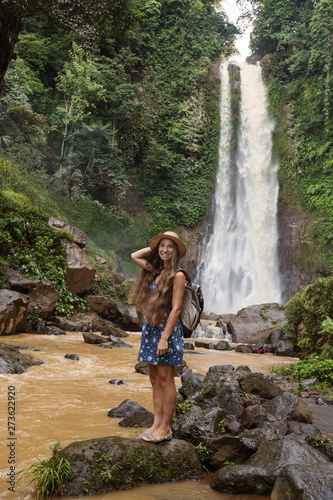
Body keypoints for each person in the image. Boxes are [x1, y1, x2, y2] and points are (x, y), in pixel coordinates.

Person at [130, 231, 186, 443]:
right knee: (154, 380)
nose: (165, 250)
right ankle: (156, 423)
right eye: (161, 246)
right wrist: (155, 249)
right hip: (151, 329)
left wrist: (164, 338)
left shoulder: (177, 275)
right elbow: (136, 255)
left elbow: (176, 309)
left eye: (170, 246)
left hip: (166, 333)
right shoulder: (156, 271)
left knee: (166, 379)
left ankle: (166, 428)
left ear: (176, 251)